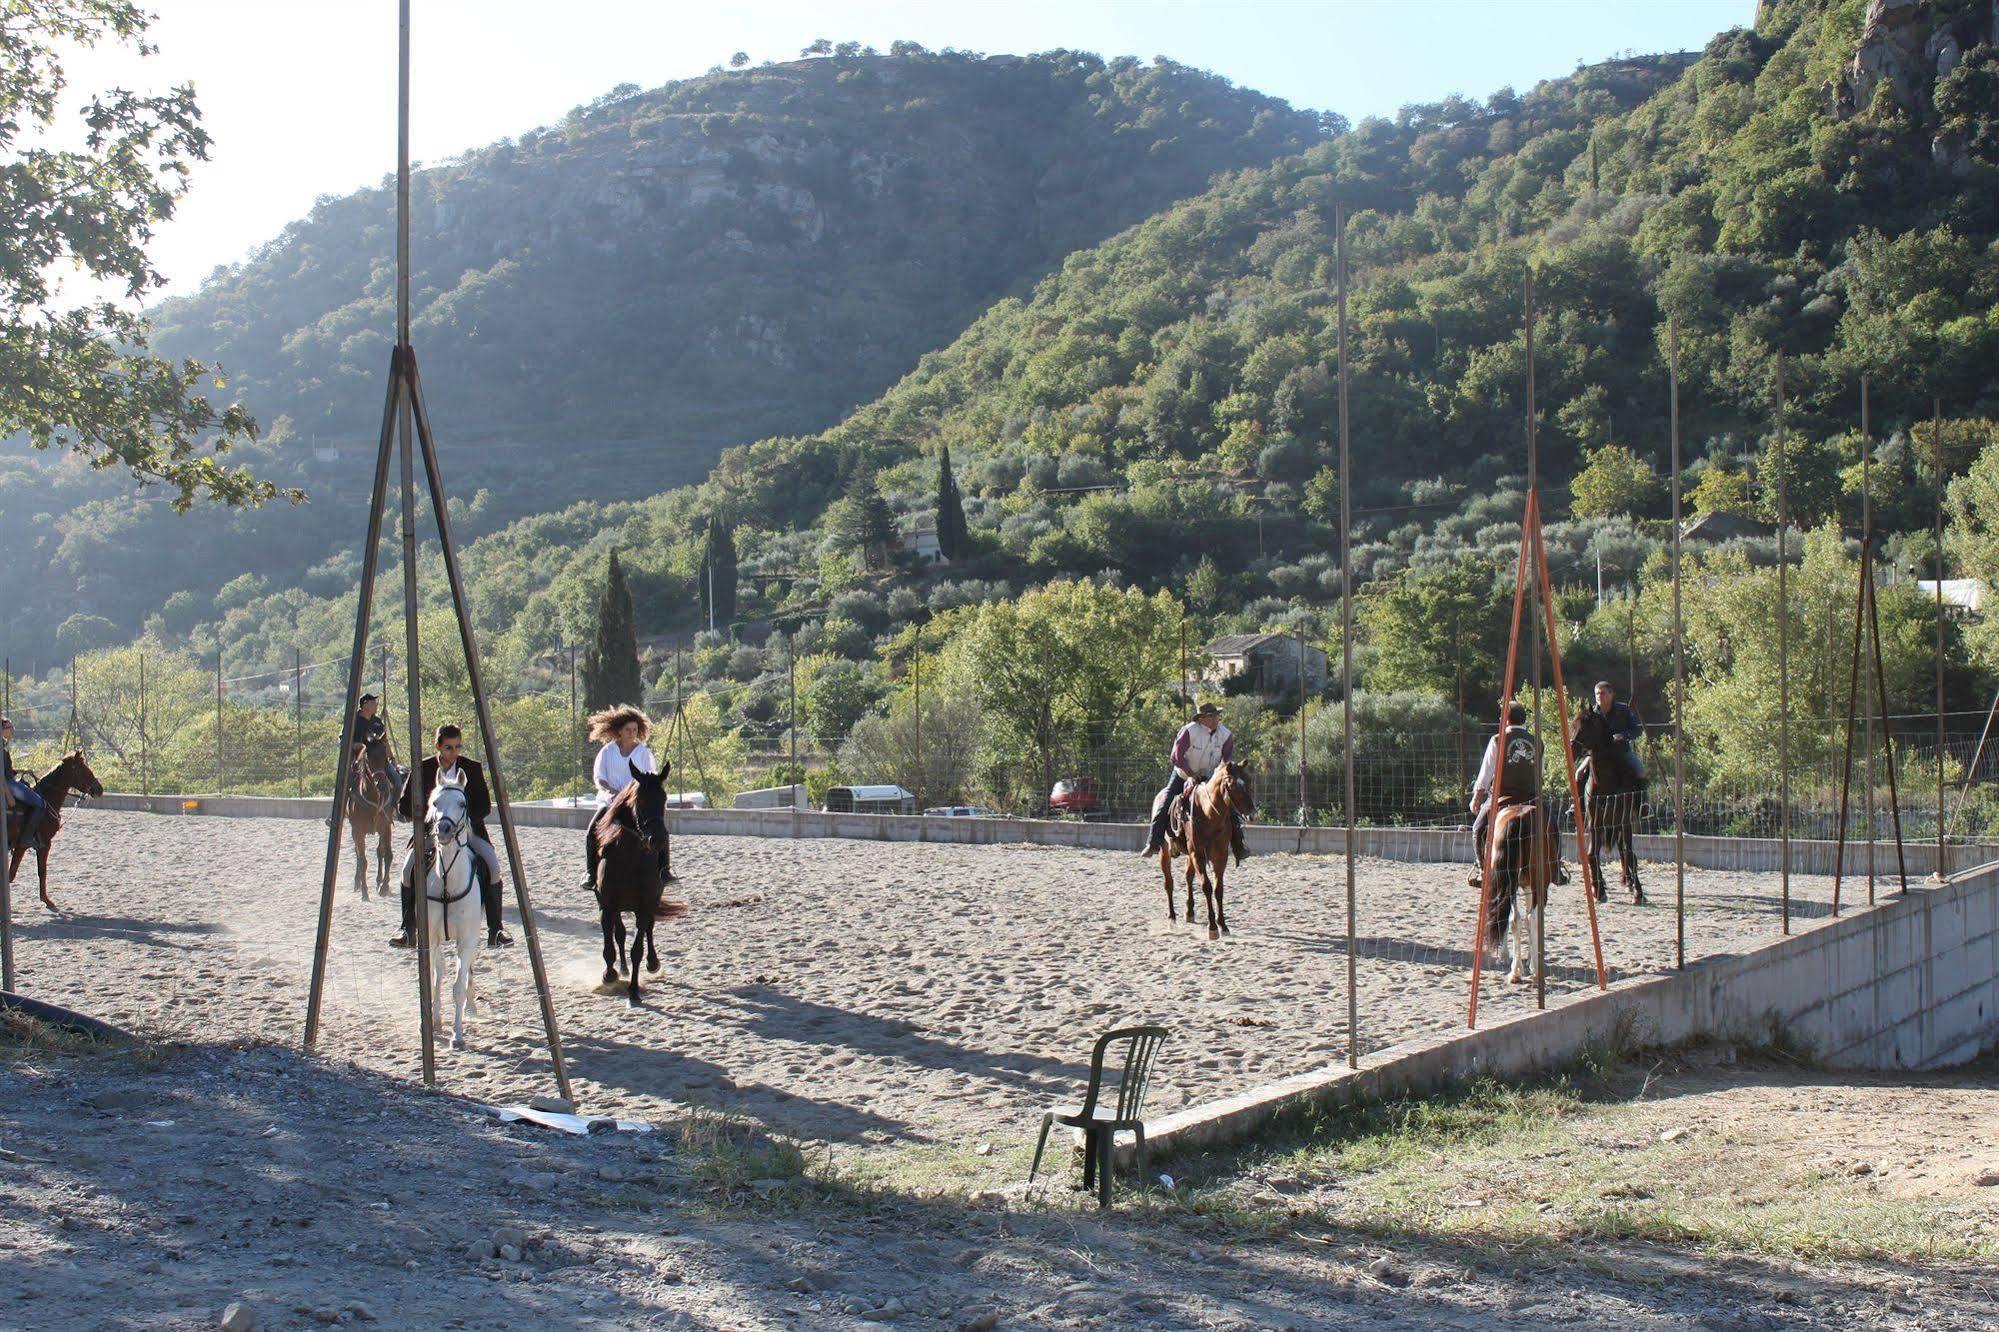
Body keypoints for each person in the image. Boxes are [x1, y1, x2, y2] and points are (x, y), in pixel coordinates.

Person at [391, 724, 511, 949]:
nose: (453, 753)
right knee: (407, 870)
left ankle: (496, 929)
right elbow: (403, 805)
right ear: (438, 746)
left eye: (457, 747)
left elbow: (484, 805)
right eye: (448, 747)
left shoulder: (472, 768)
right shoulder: (422, 768)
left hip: (468, 832)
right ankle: (407, 928)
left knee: (493, 866)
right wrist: (427, 815)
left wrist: (461, 820)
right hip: (432, 832)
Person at [1139, 701, 1249, 866]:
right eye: (1211, 716)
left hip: (1211, 778)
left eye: (1216, 715)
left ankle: (1239, 846)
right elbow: (1176, 757)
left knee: (1230, 807)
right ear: (1202, 718)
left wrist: (1220, 774)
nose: (1215, 719)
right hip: (1183, 774)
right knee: (1167, 802)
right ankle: (1153, 842)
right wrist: (1191, 774)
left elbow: (1227, 759)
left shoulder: (1225, 734)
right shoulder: (1189, 731)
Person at [581, 704, 663, 891]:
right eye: (628, 730)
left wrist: (636, 793)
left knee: (658, 830)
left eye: (635, 730)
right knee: (591, 830)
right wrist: (611, 792)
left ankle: (664, 870)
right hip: (610, 802)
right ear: (619, 731)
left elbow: (650, 777)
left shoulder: (643, 753)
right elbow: (599, 777)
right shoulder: (608, 751)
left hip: (636, 803)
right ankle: (590, 872)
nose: (632, 733)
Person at [1468, 699, 1543, 886]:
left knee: (1478, 829)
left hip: (1503, 797)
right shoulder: (1538, 742)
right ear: (1523, 719)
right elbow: (1539, 775)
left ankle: (1482, 870)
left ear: (1505, 719)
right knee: (1552, 827)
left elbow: (1486, 774)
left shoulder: (1497, 739)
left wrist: (1476, 798)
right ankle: (1557, 867)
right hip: (1531, 798)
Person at [0, 717, 47, 851]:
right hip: (8, 784)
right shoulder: (1, 748)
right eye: (9, 727)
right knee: (39, 803)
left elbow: (7, 770)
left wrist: (21, 771)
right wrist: (8, 794)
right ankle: (26, 837)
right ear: (2, 730)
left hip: (9, 781)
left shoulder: (4, 746)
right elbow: (2, 775)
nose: (12, 730)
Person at [1591, 681, 1646, 786]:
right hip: (1597, 754)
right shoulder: (1592, 714)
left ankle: (1643, 801)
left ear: (1611, 694)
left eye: (1602, 693)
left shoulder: (1624, 710)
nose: (1599, 696)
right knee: (1577, 773)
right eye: (1597, 694)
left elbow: (1637, 730)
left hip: (1622, 751)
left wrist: (1623, 736)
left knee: (1640, 771)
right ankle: (1577, 801)